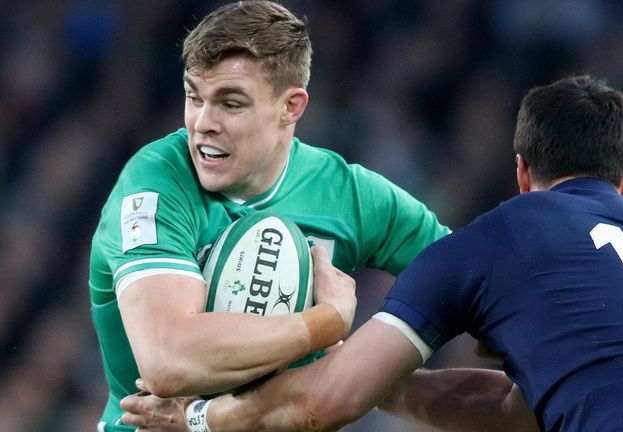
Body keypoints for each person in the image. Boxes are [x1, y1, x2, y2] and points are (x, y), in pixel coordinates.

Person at [121, 75, 623, 432]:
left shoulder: (494, 239)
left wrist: (199, 420)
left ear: (520, 171)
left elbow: (321, 406)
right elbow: (518, 411)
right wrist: (380, 383)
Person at [88, 1, 452, 431]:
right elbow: (169, 360)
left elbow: (475, 278)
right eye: (193, 96)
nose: (202, 123)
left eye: (230, 103)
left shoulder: (350, 196)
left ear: (291, 107)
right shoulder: (156, 182)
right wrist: (324, 322)